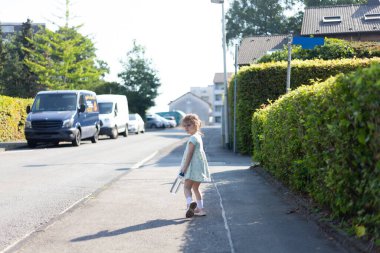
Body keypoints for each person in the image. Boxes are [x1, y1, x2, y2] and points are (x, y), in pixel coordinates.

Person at [180, 113, 211, 218]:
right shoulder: (198, 137)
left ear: (196, 124)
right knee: (196, 188)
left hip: (192, 168)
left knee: (186, 187)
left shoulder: (192, 138)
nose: (186, 128)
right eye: (185, 126)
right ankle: (200, 209)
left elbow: (190, 154)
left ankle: (190, 204)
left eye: (188, 125)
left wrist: (184, 168)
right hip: (199, 168)